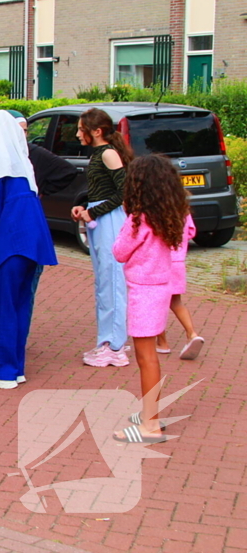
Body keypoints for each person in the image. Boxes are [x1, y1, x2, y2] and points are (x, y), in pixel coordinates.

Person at [0, 110, 77, 369]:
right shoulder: (22, 166)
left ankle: (4, 372)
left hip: (10, 243)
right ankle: (15, 367)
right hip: (32, 240)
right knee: (19, 304)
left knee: (3, 305)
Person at [112, 155, 192, 443]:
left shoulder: (138, 219)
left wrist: (127, 216)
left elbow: (120, 251)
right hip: (161, 286)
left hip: (143, 291)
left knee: (146, 358)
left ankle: (151, 425)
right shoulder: (173, 213)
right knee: (149, 358)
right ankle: (150, 413)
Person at [72, 108, 133, 368]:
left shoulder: (107, 153)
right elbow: (103, 189)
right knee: (104, 281)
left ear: (96, 131)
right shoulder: (99, 154)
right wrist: (84, 206)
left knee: (113, 281)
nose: (77, 134)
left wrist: (92, 211)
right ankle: (107, 340)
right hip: (100, 220)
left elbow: (123, 191)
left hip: (109, 221)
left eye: (81, 129)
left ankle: (115, 346)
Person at [160, 215, 205, 360]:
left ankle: (162, 343)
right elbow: (191, 232)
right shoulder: (183, 211)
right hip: (178, 262)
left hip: (160, 262)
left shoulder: (156, 209)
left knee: (157, 303)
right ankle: (192, 334)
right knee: (176, 302)